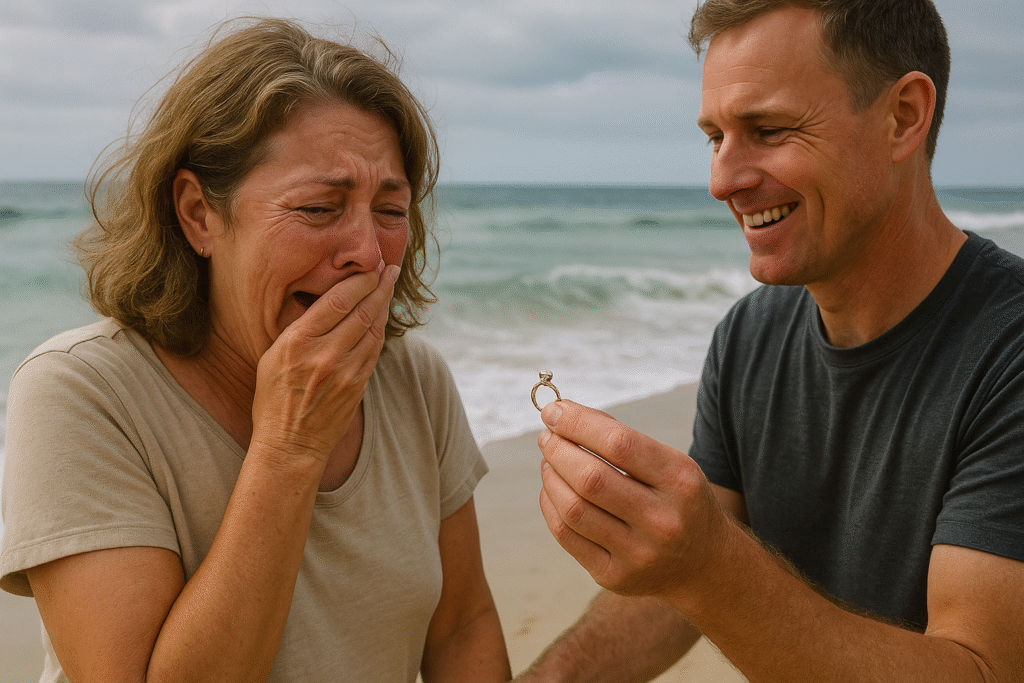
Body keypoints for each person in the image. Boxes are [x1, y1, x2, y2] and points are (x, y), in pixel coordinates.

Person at [518, 1, 1024, 681]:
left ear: (903, 115)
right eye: (715, 137)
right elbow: (676, 596)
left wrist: (710, 564)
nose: (722, 179)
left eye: (769, 128)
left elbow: (982, 667)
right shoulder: (749, 336)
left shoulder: (1009, 350)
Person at [0, 18, 511, 683]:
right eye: (321, 208)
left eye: (390, 209)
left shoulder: (414, 380)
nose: (366, 249)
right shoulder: (80, 394)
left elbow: (462, 623)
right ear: (198, 215)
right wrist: (288, 449)